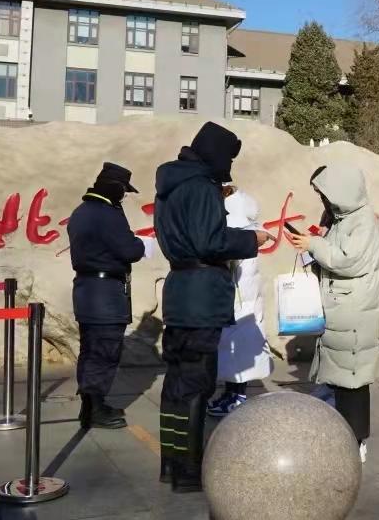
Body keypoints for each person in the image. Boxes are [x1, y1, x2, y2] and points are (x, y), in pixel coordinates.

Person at [154, 122, 269, 492]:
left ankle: (172, 462)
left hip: (179, 292)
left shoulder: (171, 186)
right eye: (228, 159)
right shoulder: (202, 186)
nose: (229, 167)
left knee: (176, 384)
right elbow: (210, 242)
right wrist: (252, 239)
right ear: (215, 154)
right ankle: (189, 471)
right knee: (196, 384)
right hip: (201, 296)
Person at [289, 164, 379, 464]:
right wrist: (315, 245)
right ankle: (343, 435)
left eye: (324, 194)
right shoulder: (342, 220)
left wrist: (314, 244)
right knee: (342, 376)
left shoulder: (362, 221)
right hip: (340, 307)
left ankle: (356, 440)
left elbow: (348, 261)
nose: (323, 200)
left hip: (353, 309)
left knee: (353, 379)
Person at [68, 162, 148, 430]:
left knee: (89, 350)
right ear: (115, 188)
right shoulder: (107, 214)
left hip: (85, 290)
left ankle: (89, 406)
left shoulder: (81, 211)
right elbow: (130, 250)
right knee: (104, 351)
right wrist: (140, 243)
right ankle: (96, 409)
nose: (124, 197)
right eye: (123, 191)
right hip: (105, 294)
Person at [206, 185, 275, 417]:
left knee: (236, 351)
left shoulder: (232, 222)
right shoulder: (249, 222)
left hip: (238, 296)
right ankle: (233, 394)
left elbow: (224, 252)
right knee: (240, 349)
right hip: (246, 296)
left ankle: (236, 397)